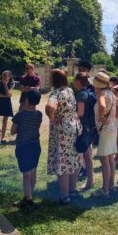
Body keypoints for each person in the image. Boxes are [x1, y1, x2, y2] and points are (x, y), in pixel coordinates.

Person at [45, 69, 82, 205]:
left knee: (63, 162)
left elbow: (50, 107)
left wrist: (53, 119)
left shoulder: (55, 93)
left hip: (62, 131)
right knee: (73, 159)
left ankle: (64, 196)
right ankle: (72, 191)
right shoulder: (69, 91)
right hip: (73, 126)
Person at [89, 72, 118, 198]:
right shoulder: (111, 93)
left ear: (97, 85)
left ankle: (105, 190)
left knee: (105, 161)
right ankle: (110, 186)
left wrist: (101, 116)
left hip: (105, 131)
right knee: (110, 159)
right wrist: (115, 118)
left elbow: (102, 105)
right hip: (112, 129)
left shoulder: (101, 95)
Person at [11, 90, 43, 210]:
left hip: (23, 147)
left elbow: (12, 131)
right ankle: (27, 197)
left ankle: (28, 201)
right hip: (35, 146)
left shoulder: (20, 115)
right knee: (33, 172)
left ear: (27, 100)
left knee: (26, 175)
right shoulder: (39, 114)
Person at [73, 72, 94, 191]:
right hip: (90, 127)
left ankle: (79, 183)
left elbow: (80, 113)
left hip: (83, 129)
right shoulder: (89, 91)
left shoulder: (81, 94)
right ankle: (90, 180)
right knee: (86, 156)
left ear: (78, 81)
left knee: (81, 156)